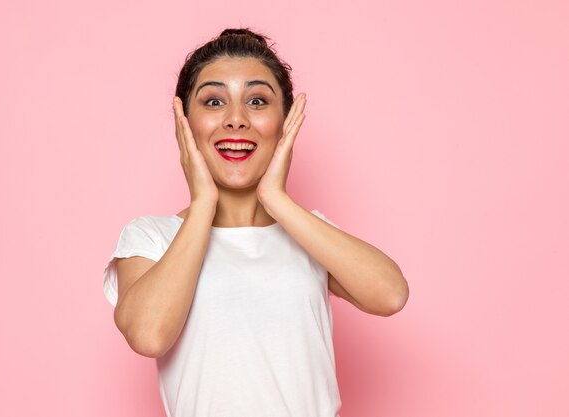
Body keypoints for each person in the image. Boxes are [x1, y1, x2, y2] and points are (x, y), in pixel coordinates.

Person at [103, 27, 409, 417]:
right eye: (214, 101)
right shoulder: (152, 237)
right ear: (184, 122)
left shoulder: (304, 230)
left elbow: (391, 294)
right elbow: (148, 336)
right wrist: (203, 206)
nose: (236, 120)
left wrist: (276, 201)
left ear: (284, 122)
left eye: (257, 101)